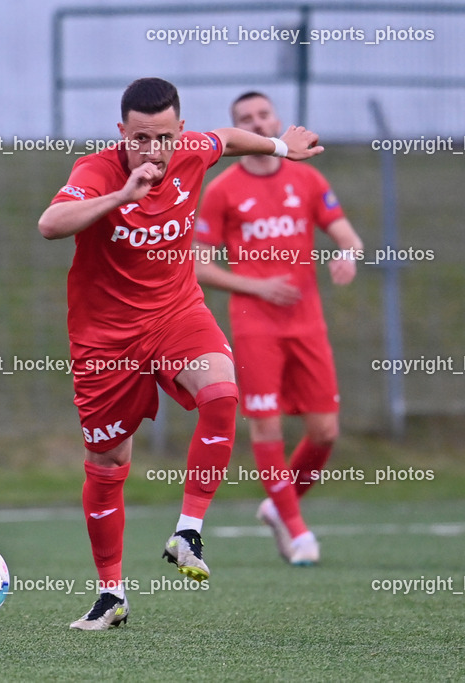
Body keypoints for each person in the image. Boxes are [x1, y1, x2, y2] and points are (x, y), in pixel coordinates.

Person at [37, 78, 323, 630]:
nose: (153, 150)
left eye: (163, 137)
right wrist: (123, 196)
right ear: (121, 133)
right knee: (108, 462)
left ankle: (187, 529)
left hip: (176, 313)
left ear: (179, 132)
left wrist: (282, 147)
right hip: (106, 339)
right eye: (140, 138)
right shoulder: (96, 171)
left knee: (222, 392)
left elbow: (229, 139)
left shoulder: (191, 150)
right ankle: (111, 595)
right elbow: (50, 225)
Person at [194, 91, 363, 566]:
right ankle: (297, 531)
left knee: (325, 431)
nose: (258, 122)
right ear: (239, 132)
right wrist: (258, 285)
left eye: (263, 114)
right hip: (255, 327)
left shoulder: (307, 178)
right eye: (245, 119)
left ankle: (276, 504)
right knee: (266, 425)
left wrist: (348, 253)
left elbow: (346, 233)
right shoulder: (224, 188)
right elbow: (200, 266)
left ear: (277, 119)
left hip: (307, 324)